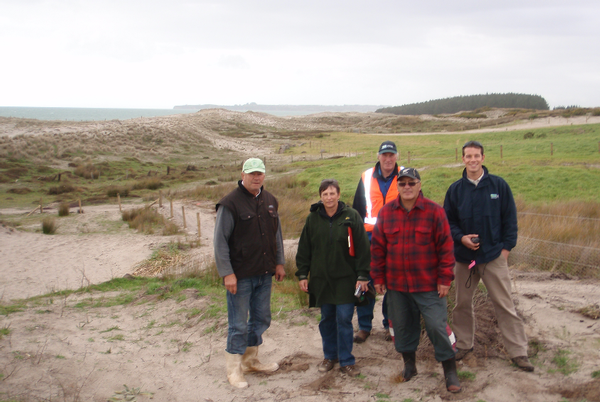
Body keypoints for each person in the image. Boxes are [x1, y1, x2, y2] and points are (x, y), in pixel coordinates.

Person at [443, 141, 534, 372]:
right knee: (462, 304)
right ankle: (464, 345)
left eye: (476, 156)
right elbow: (448, 222)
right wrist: (461, 238)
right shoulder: (455, 190)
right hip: (465, 259)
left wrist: (505, 251)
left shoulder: (499, 186)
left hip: (493, 257)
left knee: (504, 304)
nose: (472, 160)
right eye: (468, 156)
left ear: (483, 157)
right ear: (462, 159)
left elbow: (509, 221)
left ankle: (518, 352)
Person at [371, 168, 461, 393]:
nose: (407, 187)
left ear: (419, 185)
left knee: (436, 326)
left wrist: (445, 279)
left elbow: (446, 248)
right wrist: (378, 277)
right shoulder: (386, 212)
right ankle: (409, 365)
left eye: (412, 183)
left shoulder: (434, 211)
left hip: (428, 285)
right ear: (398, 187)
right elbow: (378, 248)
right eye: (402, 184)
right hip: (397, 285)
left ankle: (450, 370)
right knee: (401, 327)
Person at [214, 157, 286, 388]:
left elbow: (276, 235)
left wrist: (279, 263)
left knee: (261, 318)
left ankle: (250, 360)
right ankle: (233, 369)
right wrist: (227, 273)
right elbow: (220, 242)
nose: (256, 177)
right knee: (238, 324)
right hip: (240, 276)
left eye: (260, 173)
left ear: (264, 175)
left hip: (265, 274)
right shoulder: (230, 204)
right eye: (252, 173)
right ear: (243, 174)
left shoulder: (270, 200)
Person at [296, 179, 371, 377]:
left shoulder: (351, 216)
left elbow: (363, 248)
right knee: (327, 319)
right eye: (325, 194)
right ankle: (330, 356)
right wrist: (303, 274)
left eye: (332, 193)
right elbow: (304, 248)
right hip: (322, 280)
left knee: (344, 319)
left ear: (338, 194)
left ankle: (347, 360)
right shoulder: (312, 218)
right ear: (320, 196)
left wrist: (363, 275)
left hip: (346, 279)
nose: (329, 197)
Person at [352, 140, 402, 343]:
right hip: (369, 239)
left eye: (391, 155)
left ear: (396, 156)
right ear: (378, 156)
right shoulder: (366, 176)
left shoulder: (406, 175)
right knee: (366, 283)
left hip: (397, 239)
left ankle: (390, 324)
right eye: (385, 155)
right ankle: (364, 327)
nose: (388, 159)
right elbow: (356, 211)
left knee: (394, 285)